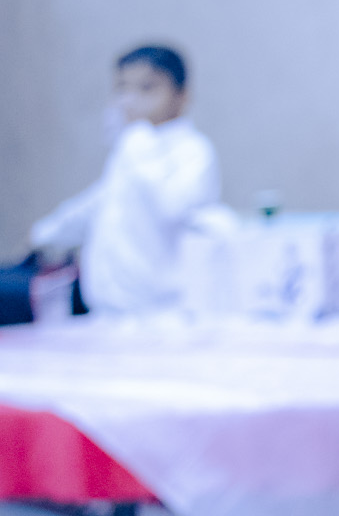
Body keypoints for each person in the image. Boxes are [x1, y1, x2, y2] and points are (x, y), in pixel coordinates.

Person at [22, 45, 219, 317]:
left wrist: (138, 141)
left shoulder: (191, 150)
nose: (131, 100)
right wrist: (46, 233)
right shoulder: (131, 149)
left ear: (182, 96)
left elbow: (174, 207)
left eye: (147, 89)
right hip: (108, 305)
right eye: (123, 88)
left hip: (162, 310)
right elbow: (103, 201)